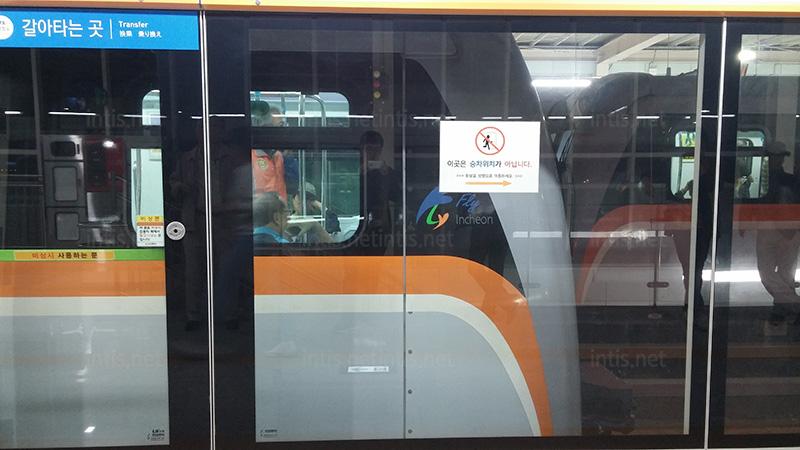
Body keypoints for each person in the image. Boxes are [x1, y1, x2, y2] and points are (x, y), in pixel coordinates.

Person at [756, 142, 800, 323]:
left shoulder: (762, 182)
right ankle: (791, 306)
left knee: (772, 273)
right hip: (788, 231)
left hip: (777, 230)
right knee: (780, 274)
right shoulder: (792, 181)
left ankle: (783, 309)